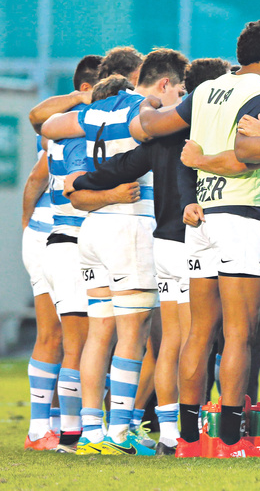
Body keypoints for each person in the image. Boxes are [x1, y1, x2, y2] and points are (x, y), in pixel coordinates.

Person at [137, 20, 260, 457]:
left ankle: (189, 439)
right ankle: (229, 437)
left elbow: (160, 130)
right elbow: (248, 153)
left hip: (201, 220)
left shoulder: (207, 89)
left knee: (199, 333)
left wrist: (147, 106)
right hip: (241, 218)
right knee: (239, 334)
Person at [69, 55, 225, 455]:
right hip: (160, 234)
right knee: (164, 337)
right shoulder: (183, 124)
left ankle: (94, 431)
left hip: (124, 235)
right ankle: (131, 433)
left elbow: (114, 161)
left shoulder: (138, 125)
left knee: (132, 336)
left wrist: (79, 181)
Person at [42, 49, 186, 456]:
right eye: (178, 88)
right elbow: (155, 130)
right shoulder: (146, 109)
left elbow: (49, 125)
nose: (179, 96)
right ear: (162, 84)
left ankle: (91, 433)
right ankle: (119, 434)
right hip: (131, 225)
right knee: (133, 334)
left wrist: (85, 102)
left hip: (93, 229)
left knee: (99, 333)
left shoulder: (95, 111)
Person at [34, 56, 100, 453]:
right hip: (71, 243)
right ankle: (71, 434)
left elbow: (38, 118)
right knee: (80, 343)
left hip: (58, 240)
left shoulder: (60, 129)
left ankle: (59, 428)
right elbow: (77, 191)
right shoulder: (78, 136)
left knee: (76, 341)